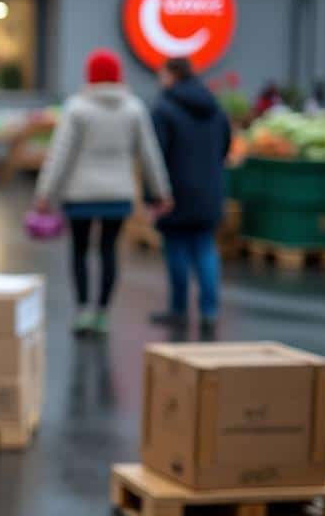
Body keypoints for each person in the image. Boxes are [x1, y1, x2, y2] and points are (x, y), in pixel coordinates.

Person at [34, 48, 172, 334]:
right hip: (118, 194)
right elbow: (149, 154)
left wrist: (45, 193)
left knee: (80, 251)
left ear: (90, 76)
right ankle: (104, 313)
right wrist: (160, 191)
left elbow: (61, 155)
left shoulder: (77, 108)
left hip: (79, 194)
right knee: (109, 250)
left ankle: (84, 310)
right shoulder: (134, 108)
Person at [148, 57, 231, 331]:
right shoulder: (215, 108)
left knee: (177, 250)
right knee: (205, 249)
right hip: (209, 190)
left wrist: (154, 195)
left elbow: (155, 155)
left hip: (176, 192)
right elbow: (225, 145)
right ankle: (209, 311)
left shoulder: (164, 109)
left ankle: (179, 309)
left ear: (172, 75)